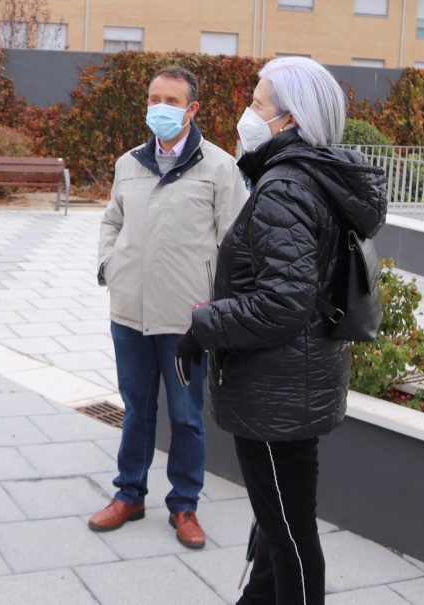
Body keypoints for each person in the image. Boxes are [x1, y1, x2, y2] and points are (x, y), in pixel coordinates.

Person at [175, 57, 387, 604]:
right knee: (279, 526)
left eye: (258, 103)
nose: (247, 112)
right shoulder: (311, 177)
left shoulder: (285, 188)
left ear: (287, 121)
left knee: (290, 538)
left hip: (276, 390)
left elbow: (282, 303)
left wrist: (204, 325)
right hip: (295, 382)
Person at [89, 65, 249, 548]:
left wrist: (216, 308)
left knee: (185, 416)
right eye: (154, 97)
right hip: (129, 314)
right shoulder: (128, 164)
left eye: (172, 100)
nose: (160, 107)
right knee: (136, 411)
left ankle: (184, 506)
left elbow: (236, 245)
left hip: (185, 322)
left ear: (192, 109)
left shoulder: (219, 168)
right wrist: (107, 265)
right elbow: (111, 221)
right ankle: (130, 494)